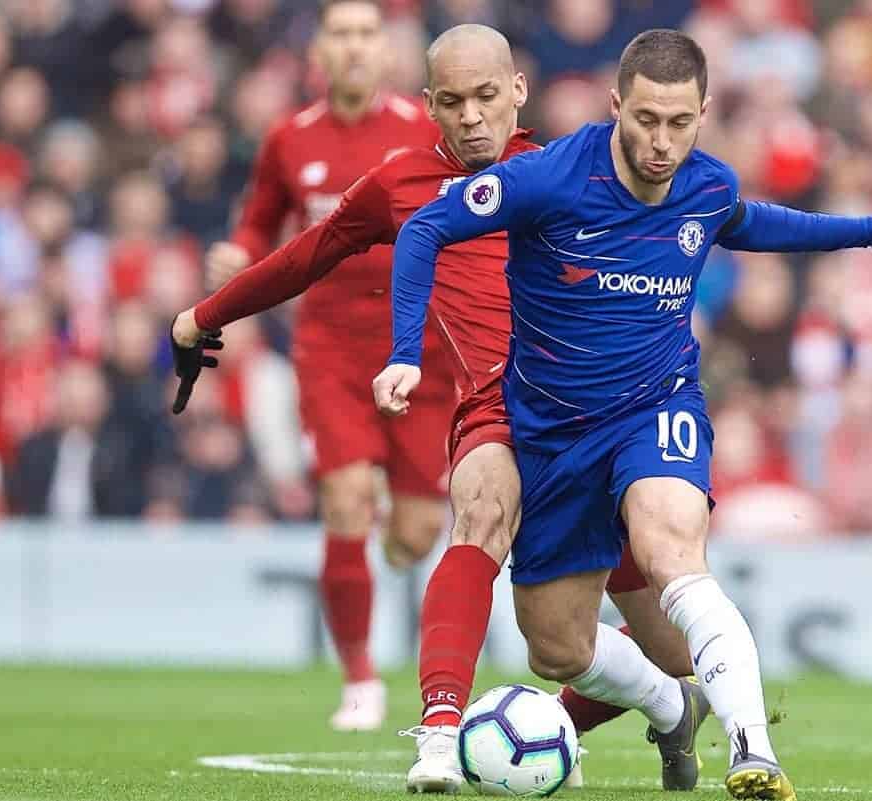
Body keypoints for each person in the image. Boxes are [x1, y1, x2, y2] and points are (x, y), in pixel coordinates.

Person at [374, 28, 872, 800]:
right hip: (551, 433)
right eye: (646, 120)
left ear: (704, 113)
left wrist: (871, 230)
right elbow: (425, 227)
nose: (661, 141)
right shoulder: (549, 178)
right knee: (557, 647)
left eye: (680, 123)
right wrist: (406, 350)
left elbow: (755, 222)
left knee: (675, 548)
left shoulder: (704, 186)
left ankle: (756, 751)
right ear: (617, 107)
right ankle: (672, 705)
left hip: (655, 408)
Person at [171, 24, 702, 794]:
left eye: (487, 96)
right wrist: (202, 315)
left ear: (517, 91)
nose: (472, 116)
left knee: (667, 646)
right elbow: (303, 255)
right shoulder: (399, 184)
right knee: (479, 511)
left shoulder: (574, 171)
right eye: (452, 102)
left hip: (599, 415)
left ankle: (648, 706)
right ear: (429, 106)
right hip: (496, 403)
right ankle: (442, 727)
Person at [200, 0, 457, 732]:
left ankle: (384, 520)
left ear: (385, 50)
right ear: (320, 49)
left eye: (366, 34)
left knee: (411, 538)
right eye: (340, 33)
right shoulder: (289, 139)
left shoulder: (423, 131)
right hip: (331, 351)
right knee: (344, 500)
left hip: (421, 352)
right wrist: (238, 255)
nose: (353, 47)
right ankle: (360, 679)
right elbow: (258, 221)